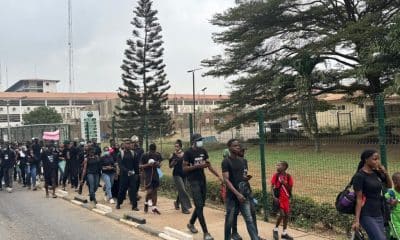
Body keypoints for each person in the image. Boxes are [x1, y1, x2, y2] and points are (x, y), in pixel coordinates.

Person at [183, 133, 223, 240]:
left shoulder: (203, 151)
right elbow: (185, 169)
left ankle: (191, 223)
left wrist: (218, 176)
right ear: (194, 141)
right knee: (199, 206)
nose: (201, 141)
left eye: (201, 139)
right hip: (193, 181)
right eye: (199, 140)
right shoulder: (188, 153)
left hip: (202, 180)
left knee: (201, 205)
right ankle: (206, 233)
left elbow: (208, 165)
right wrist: (198, 166)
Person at [222, 139, 260, 240]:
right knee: (229, 221)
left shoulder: (242, 161)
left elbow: (240, 177)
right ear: (229, 148)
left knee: (249, 219)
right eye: (235, 146)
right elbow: (226, 180)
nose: (238, 147)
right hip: (232, 197)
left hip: (243, 196)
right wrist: (237, 194)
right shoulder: (226, 161)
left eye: (238, 145)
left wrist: (245, 181)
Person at [352, 149, 392, 240]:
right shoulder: (359, 176)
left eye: (378, 159)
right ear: (366, 160)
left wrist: (385, 173)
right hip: (366, 214)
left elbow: (389, 185)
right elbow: (359, 199)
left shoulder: (376, 173)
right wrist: (356, 220)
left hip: (378, 213)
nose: (377, 161)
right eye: (375, 159)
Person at [271, 161, 294, 240]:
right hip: (279, 199)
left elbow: (290, 188)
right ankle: (275, 229)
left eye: (279, 165)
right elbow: (272, 187)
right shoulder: (276, 176)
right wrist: (274, 197)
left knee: (286, 215)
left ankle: (284, 233)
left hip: (286, 199)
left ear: (284, 167)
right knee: (282, 215)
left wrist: (285, 183)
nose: (277, 166)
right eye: (277, 165)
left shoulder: (288, 177)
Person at [116, 140, 140, 211]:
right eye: (127, 144)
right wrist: (127, 171)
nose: (128, 145)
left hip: (132, 175)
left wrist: (137, 174)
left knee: (133, 190)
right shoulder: (120, 154)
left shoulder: (133, 153)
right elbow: (120, 165)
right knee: (122, 190)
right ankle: (118, 203)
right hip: (124, 175)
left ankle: (134, 206)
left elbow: (136, 164)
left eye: (129, 144)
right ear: (123, 145)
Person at [169, 139, 191, 214]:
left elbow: (188, 164)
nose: (176, 148)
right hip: (176, 174)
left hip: (184, 174)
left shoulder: (185, 154)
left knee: (182, 190)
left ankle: (177, 202)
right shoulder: (172, 155)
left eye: (177, 146)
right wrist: (173, 162)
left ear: (181, 147)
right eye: (175, 146)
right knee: (182, 190)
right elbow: (170, 166)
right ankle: (185, 208)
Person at [141, 142, 163, 214]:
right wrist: (148, 164)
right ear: (149, 150)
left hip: (155, 175)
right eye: (151, 152)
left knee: (155, 191)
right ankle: (146, 203)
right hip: (148, 175)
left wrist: (157, 164)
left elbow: (160, 164)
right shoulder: (145, 155)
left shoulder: (157, 155)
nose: (153, 153)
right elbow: (140, 166)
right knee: (149, 191)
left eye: (154, 152)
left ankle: (154, 207)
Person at [385, 172, 400, 240]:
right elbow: (386, 199)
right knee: (398, 235)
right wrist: (390, 202)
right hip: (395, 219)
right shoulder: (392, 192)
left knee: (394, 237)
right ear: (395, 182)